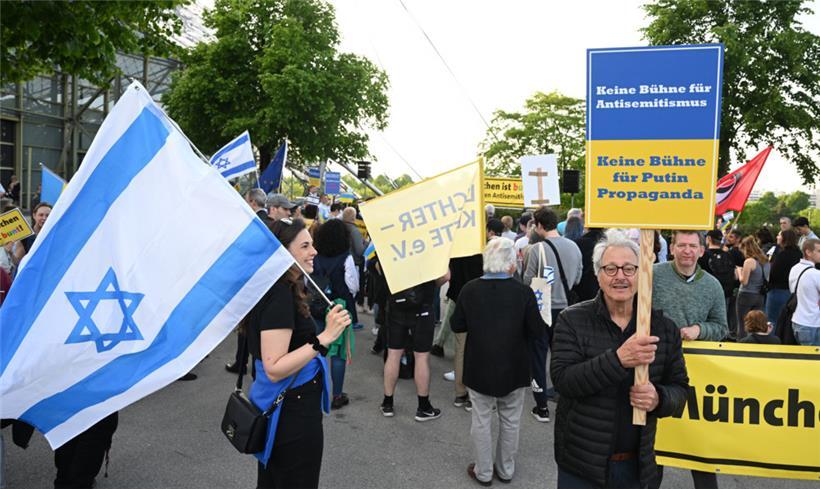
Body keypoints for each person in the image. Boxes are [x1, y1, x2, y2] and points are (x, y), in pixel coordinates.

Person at [551, 229, 689, 489]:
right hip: (580, 465)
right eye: (611, 269)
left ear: (641, 274)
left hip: (639, 467)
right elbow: (563, 382)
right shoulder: (572, 320)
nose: (620, 277)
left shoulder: (663, 327)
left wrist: (659, 398)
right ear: (598, 274)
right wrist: (618, 360)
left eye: (628, 269)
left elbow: (680, 389)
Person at [246, 218, 351, 489]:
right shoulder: (279, 293)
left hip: (292, 406)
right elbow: (274, 366)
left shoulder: (286, 287)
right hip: (290, 411)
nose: (314, 251)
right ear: (282, 253)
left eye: (312, 244)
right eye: (304, 246)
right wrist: (324, 338)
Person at [450, 237, 547, 485]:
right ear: (511, 265)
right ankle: (505, 469)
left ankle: (483, 472)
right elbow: (537, 331)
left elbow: (456, 324)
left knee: (481, 420)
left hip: (478, 365)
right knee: (511, 420)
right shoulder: (523, 292)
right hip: (514, 366)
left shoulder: (469, 289)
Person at [652, 230, 727, 489]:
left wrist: (699, 329)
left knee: (697, 443)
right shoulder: (652, 276)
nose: (687, 250)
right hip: (655, 369)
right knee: (654, 444)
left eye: (693, 246)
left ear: (702, 250)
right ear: (671, 248)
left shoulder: (713, 285)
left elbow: (722, 327)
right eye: (681, 245)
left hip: (697, 373)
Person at [522, 206, 582, 422]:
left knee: (538, 356)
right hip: (567, 309)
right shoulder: (574, 246)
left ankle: (541, 407)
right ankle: (562, 398)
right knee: (563, 357)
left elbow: (528, 281)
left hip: (542, 308)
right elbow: (577, 278)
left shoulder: (536, 249)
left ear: (538, 225)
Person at [380, 272, 450, 421]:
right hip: (423, 306)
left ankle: (387, 403)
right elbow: (445, 276)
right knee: (422, 357)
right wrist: (430, 284)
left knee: (393, 354)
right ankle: (423, 407)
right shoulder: (431, 248)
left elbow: (380, 269)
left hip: (396, 304)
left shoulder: (390, 247)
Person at [311, 219, 359, 409]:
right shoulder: (345, 257)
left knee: (316, 349)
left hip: (317, 308)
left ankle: (314, 390)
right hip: (339, 308)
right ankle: (337, 395)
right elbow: (353, 285)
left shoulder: (315, 255)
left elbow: (309, 282)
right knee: (338, 354)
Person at [735, 236, 770, 340]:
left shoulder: (749, 261)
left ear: (746, 248)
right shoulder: (765, 261)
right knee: (757, 323)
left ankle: (741, 343)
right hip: (760, 295)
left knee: (742, 322)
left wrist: (739, 271)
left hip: (746, 294)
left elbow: (744, 281)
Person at [766, 229, 802, 329]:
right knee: (787, 322)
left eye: (779, 235)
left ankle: (772, 342)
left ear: (785, 239)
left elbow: (773, 273)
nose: (777, 237)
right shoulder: (799, 254)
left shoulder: (782, 255)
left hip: (777, 290)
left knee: (772, 321)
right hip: (792, 292)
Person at [789, 239, 820, 346]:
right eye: (819, 251)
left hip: (796, 320)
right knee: (814, 361)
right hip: (812, 323)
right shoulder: (815, 274)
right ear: (808, 252)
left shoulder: (794, 268)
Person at [13, 202, 51, 266]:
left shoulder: (55, 235)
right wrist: (10, 252)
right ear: (34, 215)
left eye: (48, 215)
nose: (44, 218)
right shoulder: (25, 236)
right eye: (41, 215)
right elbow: (18, 262)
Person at [573, 227, 604, 301]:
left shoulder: (577, 243)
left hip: (581, 289)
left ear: (586, 227)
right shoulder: (608, 243)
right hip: (602, 288)